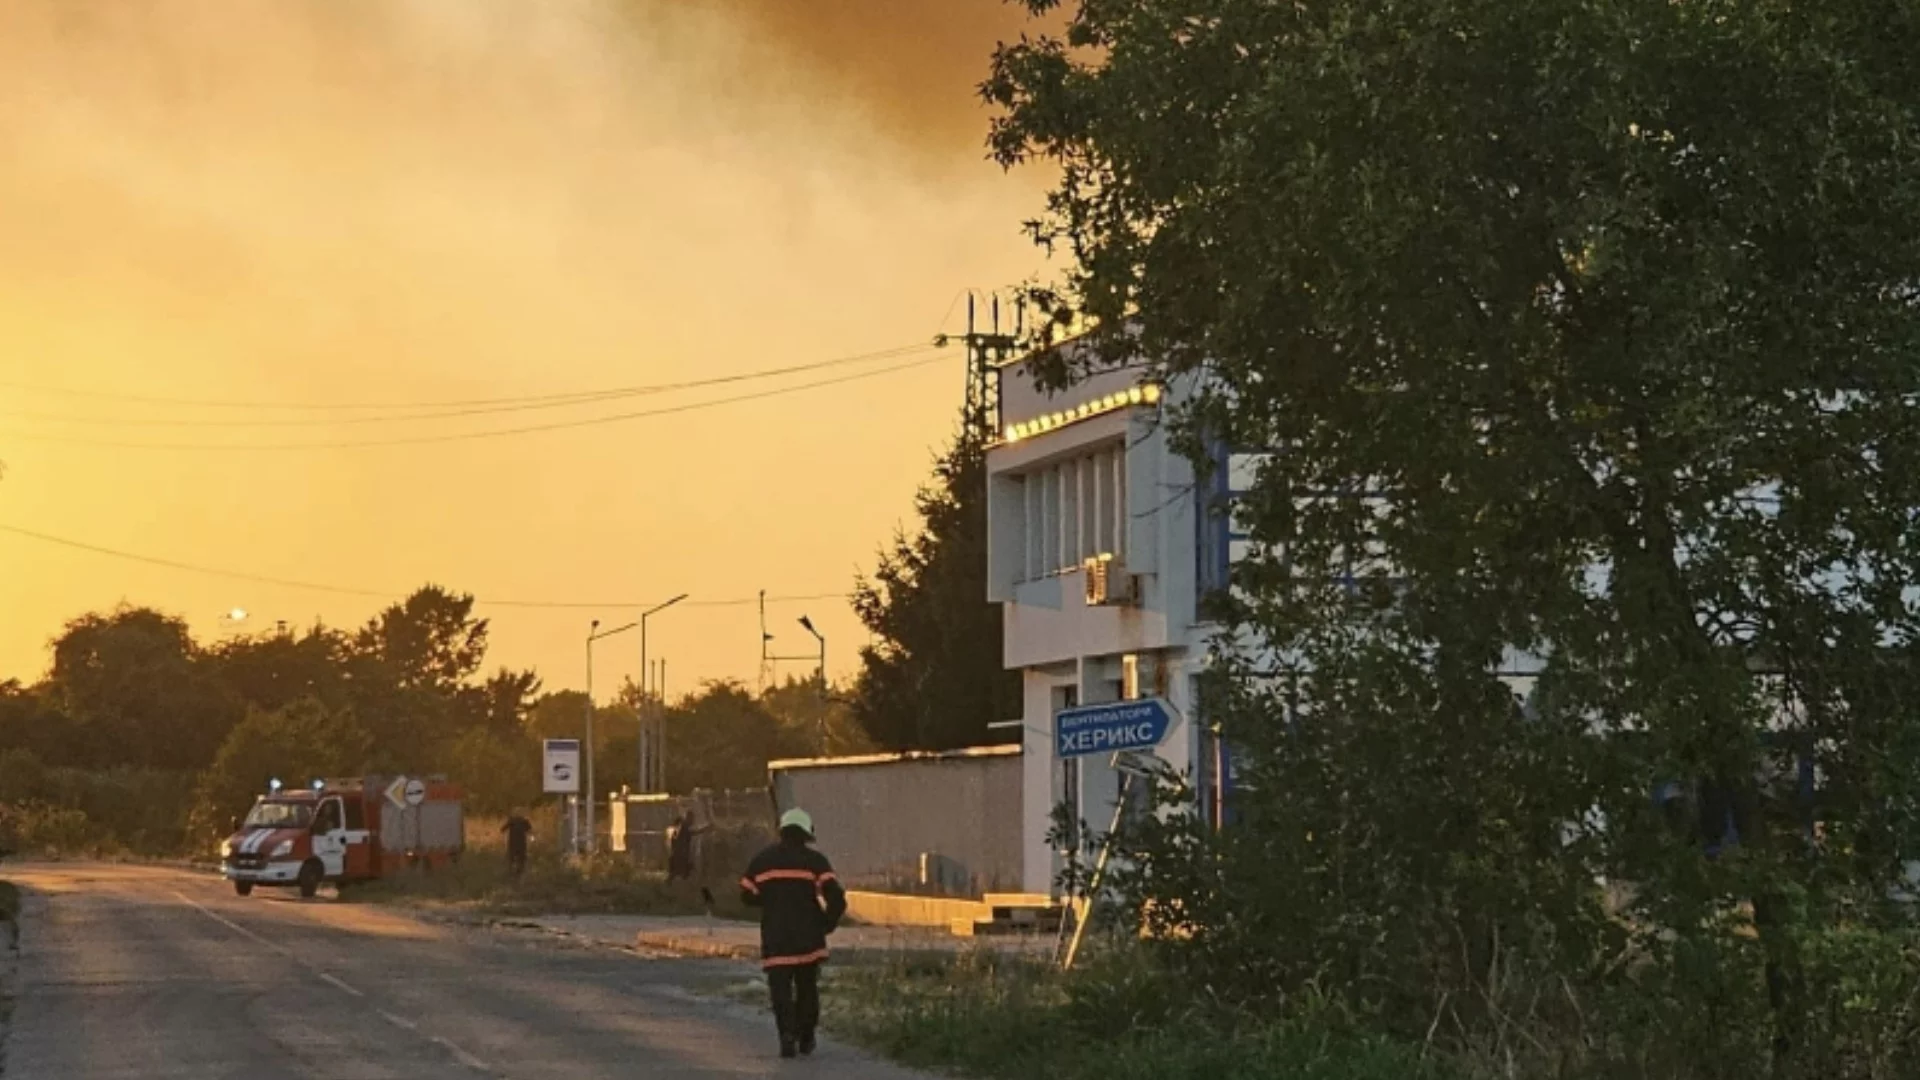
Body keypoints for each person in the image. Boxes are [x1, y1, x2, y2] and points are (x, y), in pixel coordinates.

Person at [739, 808, 846, 1059]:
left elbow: (746, 895)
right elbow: (837, 898)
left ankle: (786, 1035)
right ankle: (806, 1036)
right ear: (806, 833)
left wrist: (769, 900)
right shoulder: (815, 861)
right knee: (808, 987)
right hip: (809, 937)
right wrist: (827, 924)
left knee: (780, 991)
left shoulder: (762, 860)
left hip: (776, 936)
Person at [500, 811, 535, 879]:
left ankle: (511, 871)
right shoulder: (524, 821)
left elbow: (502, 829)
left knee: (512, 857)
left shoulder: (512, 820)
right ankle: (519, 872)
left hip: (513, 842)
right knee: (521, 857)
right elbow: (530, 831)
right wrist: (532, 839)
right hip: (521, 842)